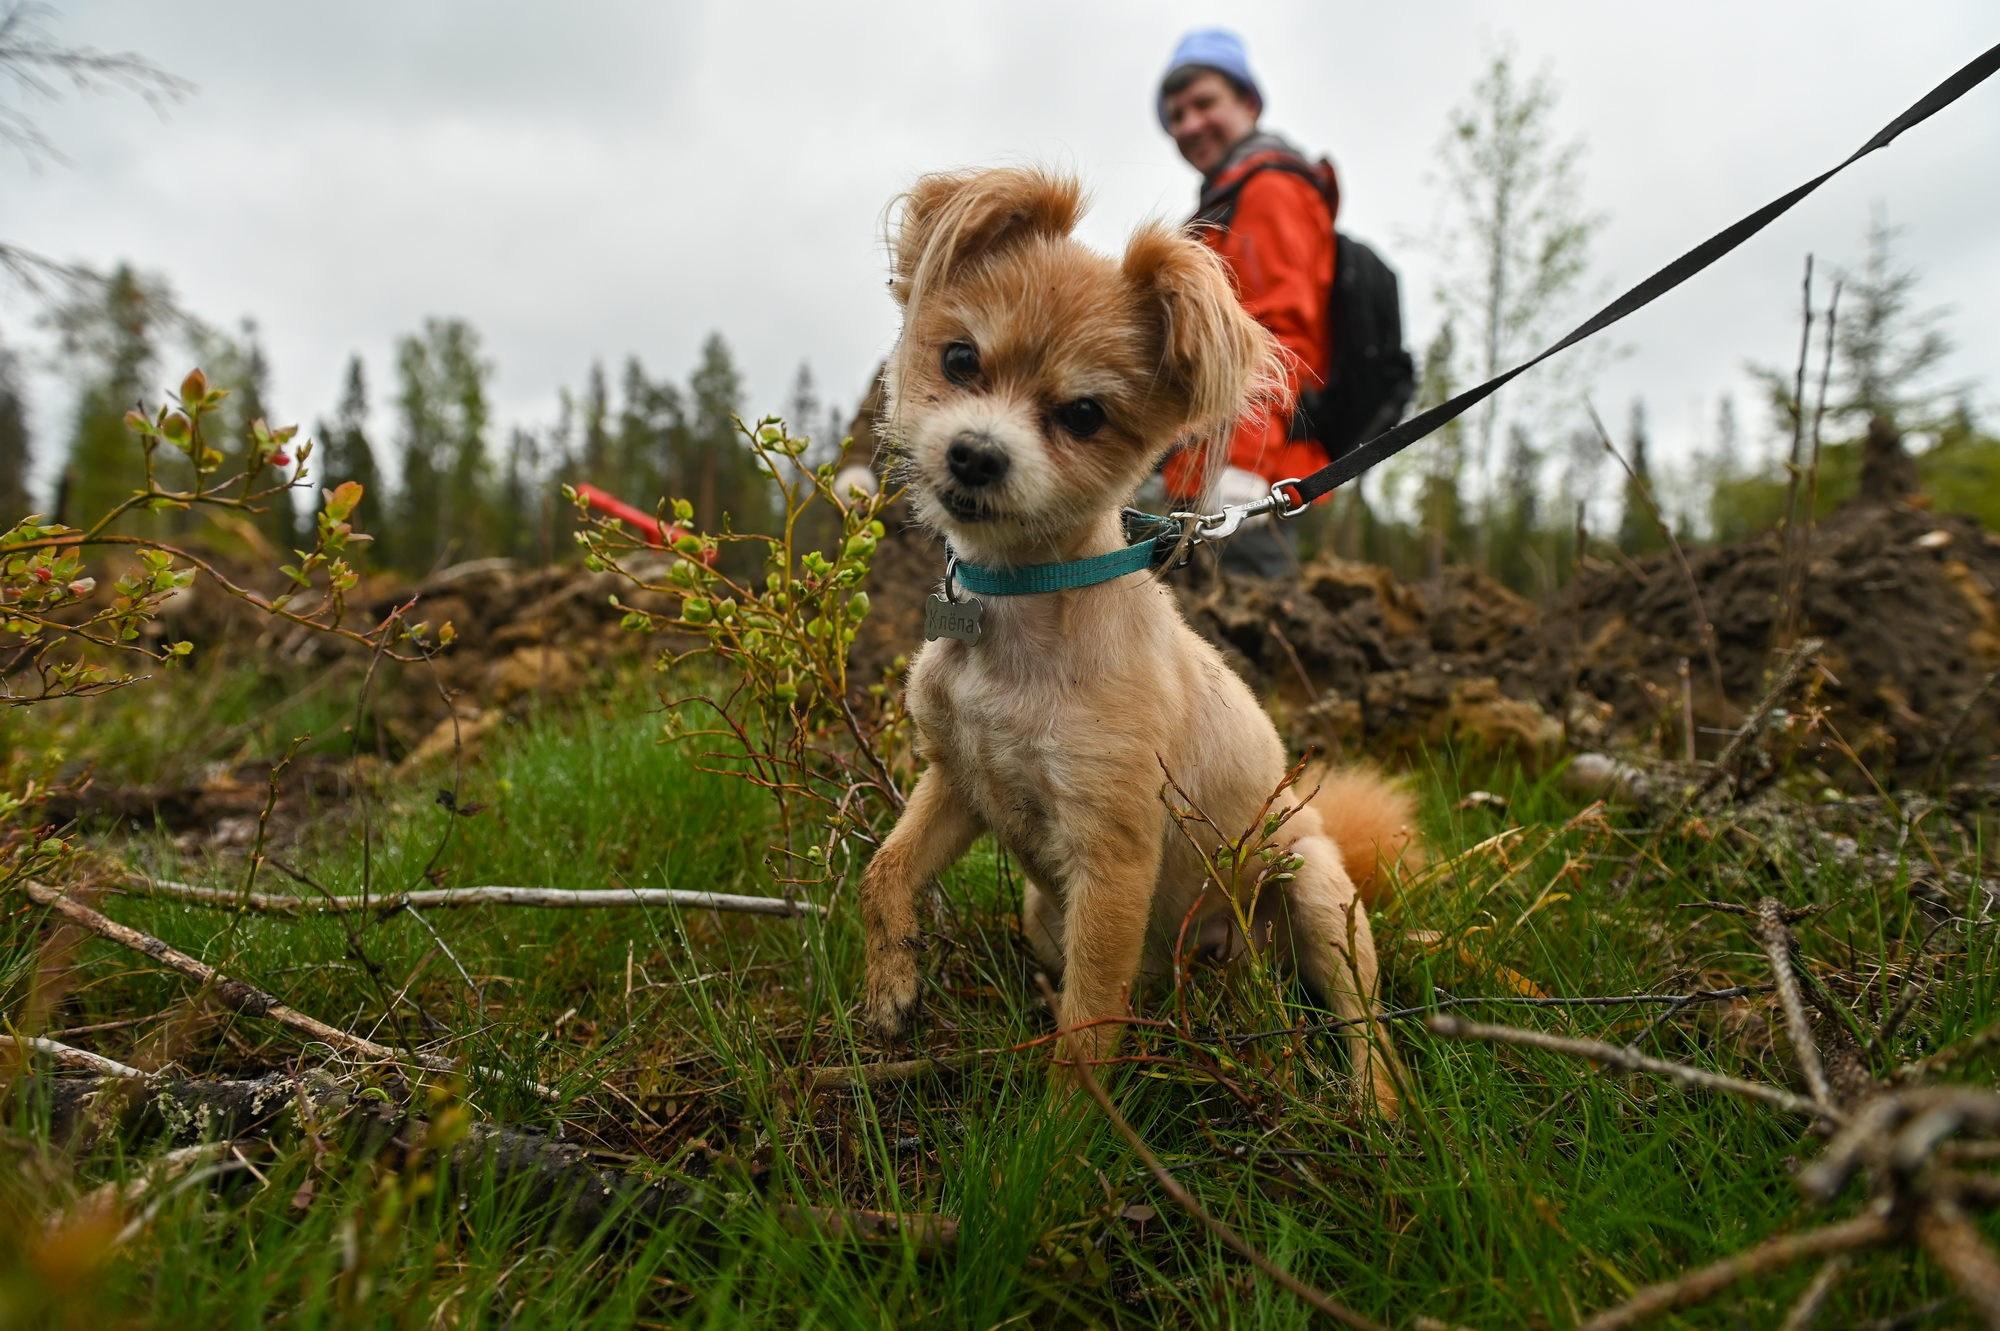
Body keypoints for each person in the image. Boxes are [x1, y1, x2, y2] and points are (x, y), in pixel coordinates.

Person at [1158, 28, 1337, 576]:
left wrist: (1243, 464)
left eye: (1204, 103)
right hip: (1204, 471)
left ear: (1249, 103)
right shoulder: (1226, 200)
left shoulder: (1268, 189)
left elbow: (1279, 333)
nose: (1190, 125)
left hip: (1248, 483)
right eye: (1176, 116)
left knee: (1246, 640)